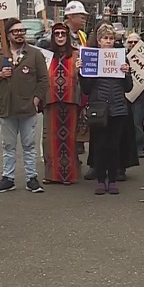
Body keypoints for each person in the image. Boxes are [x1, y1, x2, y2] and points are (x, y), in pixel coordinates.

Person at [0, 18, 49, 193]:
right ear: (7, 35)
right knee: (8, 146)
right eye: (15, 31)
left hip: (27, 108)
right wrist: (0, 74)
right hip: (7, 108)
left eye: (22, 31)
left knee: (29, 145)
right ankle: (8, 178)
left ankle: (32, 178)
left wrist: (37, 98)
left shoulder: (35, 54)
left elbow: (44, 80)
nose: (20, 34)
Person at [79, 23, 133, 195]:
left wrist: (127, 73)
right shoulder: (92, 57)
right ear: (99, 40)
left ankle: (114, 179)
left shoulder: (121, 57)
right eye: (105, 38)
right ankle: (101, 180)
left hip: (118, 107)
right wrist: (81, 72)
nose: (108, 42)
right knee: (100, 145)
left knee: (114, 145)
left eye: (110, 38)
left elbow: (128, 88)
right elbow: (86, 89)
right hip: (99, 107)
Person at [42, 22, 83, 185]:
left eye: (63, 34)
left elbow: (85, 76)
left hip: (71, 100)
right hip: (51, 100)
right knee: (50, 139)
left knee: (69, 139)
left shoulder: (76, 54)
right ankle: (51, 175)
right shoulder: (46, 55)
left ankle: (68, 175)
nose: (60, 37)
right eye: (57, 34)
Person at [125, 33, 144, 159]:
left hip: (140, 96)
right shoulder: (122, 57)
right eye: (130, 42)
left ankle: (139, 148)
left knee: (137, 122)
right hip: (124, 95)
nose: (133, 44)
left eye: (135, 42)